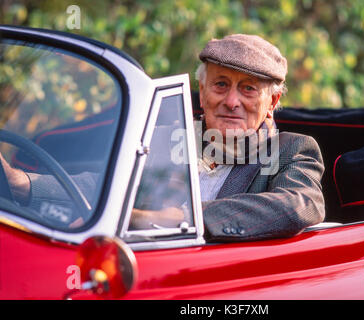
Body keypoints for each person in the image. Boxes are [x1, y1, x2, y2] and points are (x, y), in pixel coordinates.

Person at [0, 34, 325, 242]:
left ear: (273, 102)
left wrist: (185, 219)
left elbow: (300, 205)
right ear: (202, 94)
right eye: (221, 84)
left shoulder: (293, 150)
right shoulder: (170, 138)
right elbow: (105, 186)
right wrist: (23, 182)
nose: (232, 101)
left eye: (249, 88)